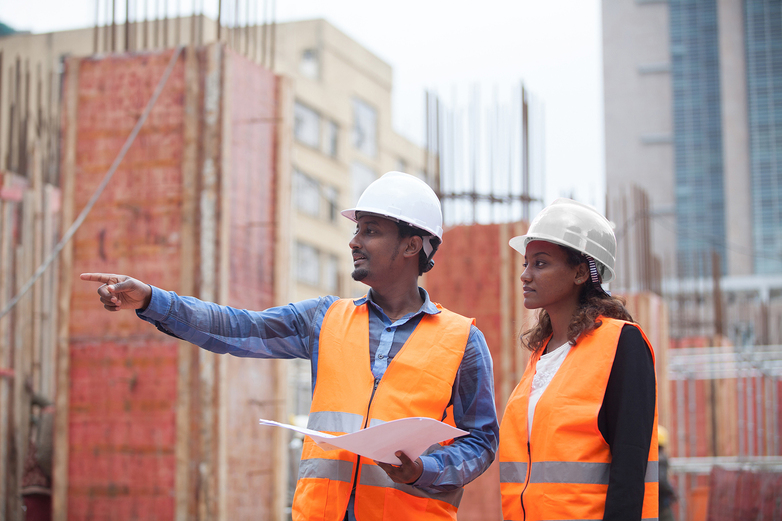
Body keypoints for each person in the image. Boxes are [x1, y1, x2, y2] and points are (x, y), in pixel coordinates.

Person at [82, 171, 499, 521]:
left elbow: (481, 442)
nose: (354, 241)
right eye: (356, 229)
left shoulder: (462, 341)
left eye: (370, 231)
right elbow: (238, 327)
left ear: (412, 245)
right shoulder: (323, 319)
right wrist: (155, 300)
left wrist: (423, 469)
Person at [498, 198, 658, 521]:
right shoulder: (541, 355)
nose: (525, 276)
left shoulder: (621, 344)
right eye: (525, 264)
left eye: (540, 263)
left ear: (581, 272)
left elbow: (629, 472)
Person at [658, 425, 677, 521]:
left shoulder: (648, 458)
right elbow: (662, 480)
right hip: (662, 504)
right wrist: (671, 492)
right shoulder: (661, 458)